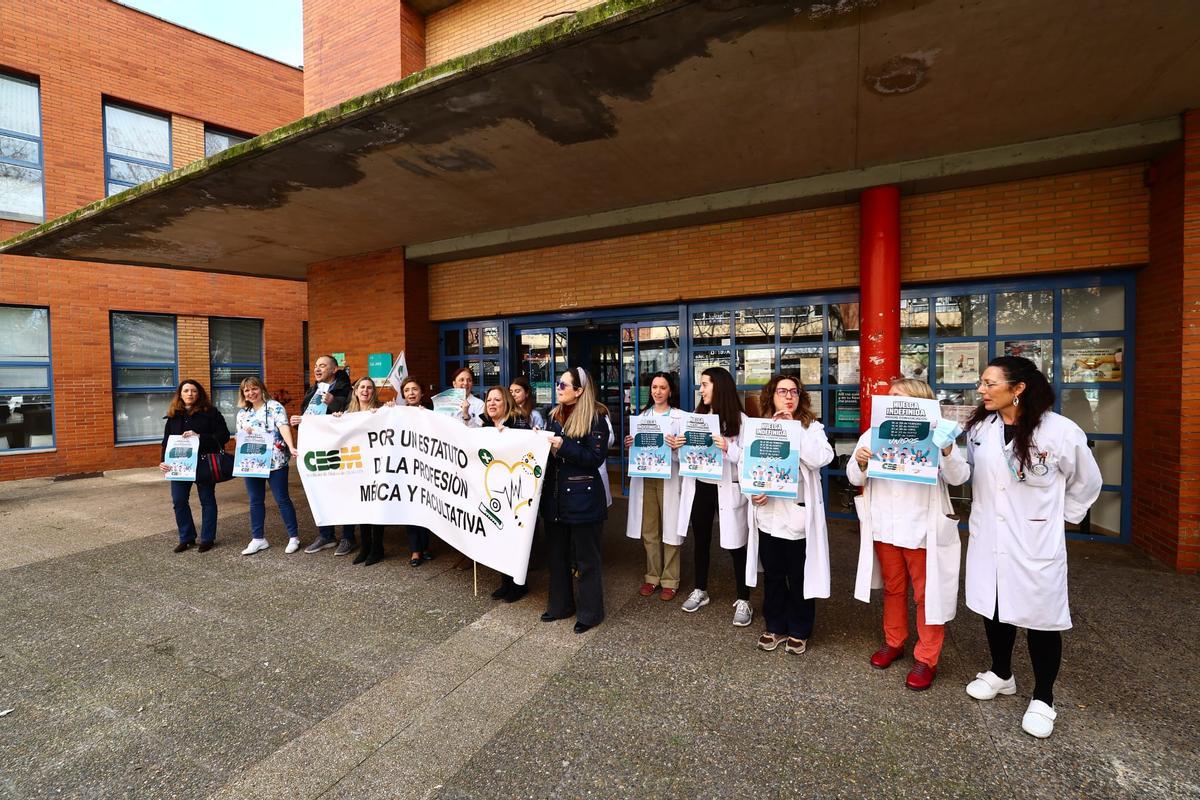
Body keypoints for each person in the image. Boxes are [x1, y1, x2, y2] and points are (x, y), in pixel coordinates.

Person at [962, 356, 1101, 739]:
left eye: (990, 383)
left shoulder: (1059, 431)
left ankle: (1043, 697)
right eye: (982, 383)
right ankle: (1001, 673)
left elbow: (1087, 483)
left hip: (1035, 539)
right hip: (989, 534)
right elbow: (976, 473)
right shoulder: (982, 429)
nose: (982, 390)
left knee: (1041, 618)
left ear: (1017, 388)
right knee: (994, 607)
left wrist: (1060, 518)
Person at [848, 378, 970, 690]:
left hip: (923, 527)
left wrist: (945, 448)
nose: (891, 402)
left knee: (927, 595)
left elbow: (960, 476)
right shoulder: (875, 431)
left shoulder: (938, 434)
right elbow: (852, 474)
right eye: (890, 397)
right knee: (893, 588)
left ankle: (926, 657)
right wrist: (860, 461)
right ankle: (894, 641)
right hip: (885, 525)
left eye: (899, 397)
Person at [745, 374, 834, 655]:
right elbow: (746, 467)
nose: (788, 396)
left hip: (797, 514)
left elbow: (822, 458)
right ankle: (775, 625)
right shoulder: (758, 427)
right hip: (768, 513)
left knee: (798, 575)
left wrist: (793, 431)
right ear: (771, 396)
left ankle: (799, 628)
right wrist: (753, 493)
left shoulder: (812, 427)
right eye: (782, 391)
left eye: (794, 392)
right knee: (773, 573)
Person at [675, 367, 753, 627]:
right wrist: (678, 447)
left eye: (705, 384)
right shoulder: (697, 416)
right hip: (701, 487)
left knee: (736, 544)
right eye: (701, 385)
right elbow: (687, 456)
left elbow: (747, 458)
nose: (701, 389)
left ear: (719, 386)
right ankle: (700, 589)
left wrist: (728, 447)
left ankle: (744, 598)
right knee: (701, 540)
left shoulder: (740, 420)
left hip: (727, 488)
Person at [540, 367, 609, 634]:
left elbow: (594, 459)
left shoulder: (596, 418)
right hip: (555, 499)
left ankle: (590, 613)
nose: (558, 388)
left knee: (586, 560)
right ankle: (560, 606)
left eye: (564, 385)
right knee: (556, 556)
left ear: (579, 391)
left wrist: (562, 445)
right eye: (558, 384)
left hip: (584, 500)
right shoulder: (553, 415)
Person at [624, 372, 685, 601]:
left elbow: (687, 455)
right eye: (654, 387)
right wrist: (631, 444)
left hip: (669, 477)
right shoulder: (643, 417)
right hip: (647, 478)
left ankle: (670, 580)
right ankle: (652, 577)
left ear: (671, 391)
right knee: (649, 530)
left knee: (670, 528)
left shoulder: (680, 417)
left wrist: (676, 447)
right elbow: (639, 451)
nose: (657, 391)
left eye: (662, 387)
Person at [292, 355, 354, 555]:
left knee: (343, 492)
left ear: (334, 369)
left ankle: (348, 537)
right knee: (321, 490)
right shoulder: (313, 389)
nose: (317, 369)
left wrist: (334, 402)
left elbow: (352, 414)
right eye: (316, 365)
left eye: (323, 366)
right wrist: (299, 422)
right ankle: (326, 535)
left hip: (339, 448)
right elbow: (308, 415)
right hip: (317, 447)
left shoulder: (346, 389)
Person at [159, 380, 230, 553]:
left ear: (199, 394)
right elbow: (167, 441)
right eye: (186, 391)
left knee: (207, 500)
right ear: (180, 394)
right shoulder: (173, 415)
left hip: (203, 463)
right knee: (179, 501)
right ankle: (187, 537)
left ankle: (207, 538)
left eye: (193, 391)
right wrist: (163, 461)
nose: (190, 394)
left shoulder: (211, 413)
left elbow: (224, 435)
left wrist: (200, 436)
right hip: (179, 465)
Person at [236, 376, 303, 555]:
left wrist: (291, 446)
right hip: (252, 462)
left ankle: (294, 537)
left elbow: (283, 427)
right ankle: (258, 539)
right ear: (243, 394)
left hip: (276, 460)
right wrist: (244, 433)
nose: (251, 393)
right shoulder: (242, 413)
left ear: (261, 389)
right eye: (247, 390)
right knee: (255, 500)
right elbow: (239, 437)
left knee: (282, 499)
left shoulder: (274, 407)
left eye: (254, 389)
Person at [480, 386, 533, 602]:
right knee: (499, 539)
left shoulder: (518, 423)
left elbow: (529, 450)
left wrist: (509, 437)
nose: (492, 404)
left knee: (514, 540)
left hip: (514, 494)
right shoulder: (484, 426)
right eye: (489, 400)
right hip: (493, 492)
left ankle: (518, 584)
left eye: (497, 400)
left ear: (507, 404)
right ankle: (504, 582)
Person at [399, 376, 435, 565]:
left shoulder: (432, 412)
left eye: (414, 389)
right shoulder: (397, 412)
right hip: (406, 468)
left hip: (426, 467)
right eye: (407, 390)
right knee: (411, 507)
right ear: (403, 394)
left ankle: (425, 546)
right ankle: (415, 550)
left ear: (422, 393)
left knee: (426, 506)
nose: (411, 393)